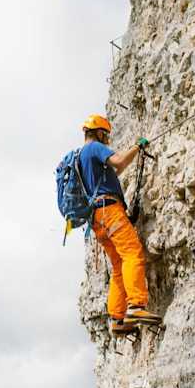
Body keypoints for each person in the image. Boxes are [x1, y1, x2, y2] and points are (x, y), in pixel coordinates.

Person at [78, 114, 163, 335]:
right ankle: (136, 305)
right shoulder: (94, 147)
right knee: (132, 252)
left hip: (97, 219)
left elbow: (116, 170)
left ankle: (117, 319)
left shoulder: (81, 157)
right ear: (98, 132)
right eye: (105, 134)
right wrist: (137, 146)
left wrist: (132, 154)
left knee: (117, 267)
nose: (107, 139)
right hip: (110, 211)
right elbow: (118, 161)